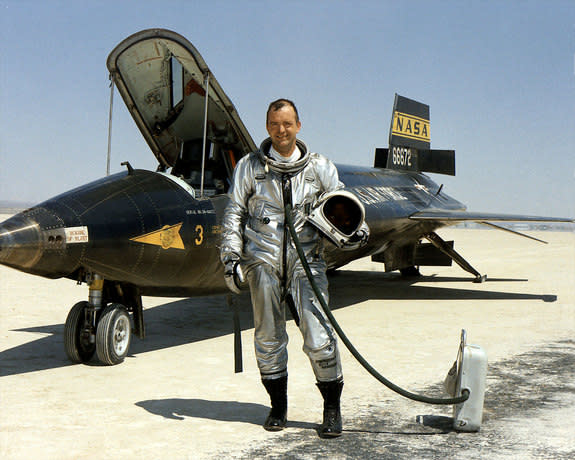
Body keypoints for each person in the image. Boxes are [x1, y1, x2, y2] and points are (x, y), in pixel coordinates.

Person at [220, 99, 345, 438]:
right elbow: (234, 212)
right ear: (267, 127)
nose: (281, 130)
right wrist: (231, 257)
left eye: (287, 124)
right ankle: (278, 408)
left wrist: (351, 230)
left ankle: (331, 410)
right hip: (262, 261)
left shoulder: (319, 168)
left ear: (298, 126)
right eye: (275, 124)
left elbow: (340, 206)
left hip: (307, 263)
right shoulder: (250, 167)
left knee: (319, 338)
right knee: (268, 337)